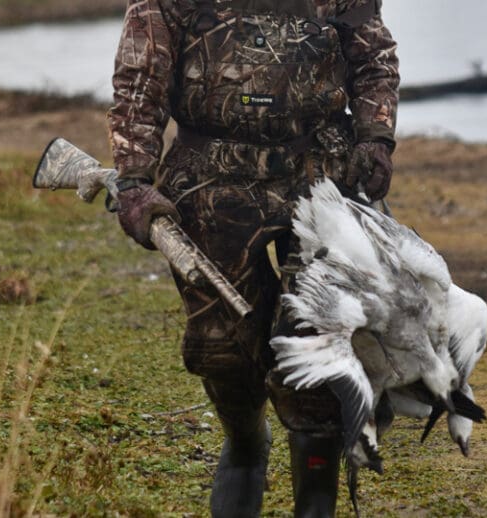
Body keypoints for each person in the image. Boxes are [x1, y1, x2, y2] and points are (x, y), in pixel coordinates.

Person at [107, 0, 399, 515]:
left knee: (317, 354)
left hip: (321, 173)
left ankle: (316, 504)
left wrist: (376, 138)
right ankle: (244, 446)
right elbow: (139, 79)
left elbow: (373, 57)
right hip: (208, 177)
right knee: (224, 350)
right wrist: (133, 178)